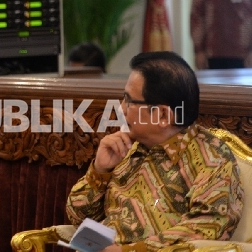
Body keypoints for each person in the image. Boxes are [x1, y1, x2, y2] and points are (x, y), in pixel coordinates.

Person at [66, 51, 243, 252]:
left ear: (162, 115)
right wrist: (100, 171)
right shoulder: (128, 148)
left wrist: (129, 251)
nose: (121, 108)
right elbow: (77, 216)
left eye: (129, 100)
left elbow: (206, 230)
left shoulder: (212, 159)